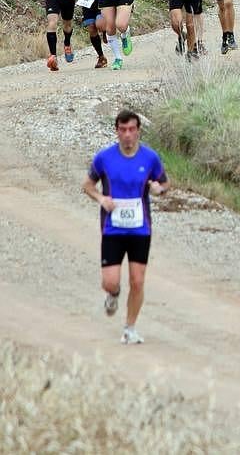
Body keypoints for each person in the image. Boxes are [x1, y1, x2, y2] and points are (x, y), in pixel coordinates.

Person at [83, 109, 170, 345]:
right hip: (113, 228)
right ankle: (113, 293)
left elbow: (164, 183)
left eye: (132, 129)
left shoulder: (150, 158)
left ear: (138, 131)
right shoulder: (104, 158)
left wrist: (157, 189)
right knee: (110, 281)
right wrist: (102, 199)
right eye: (123, 130)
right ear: (117, 131)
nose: (128, 135)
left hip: (140, 228)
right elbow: (88, 185)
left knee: (138, 281)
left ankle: (130, 328)